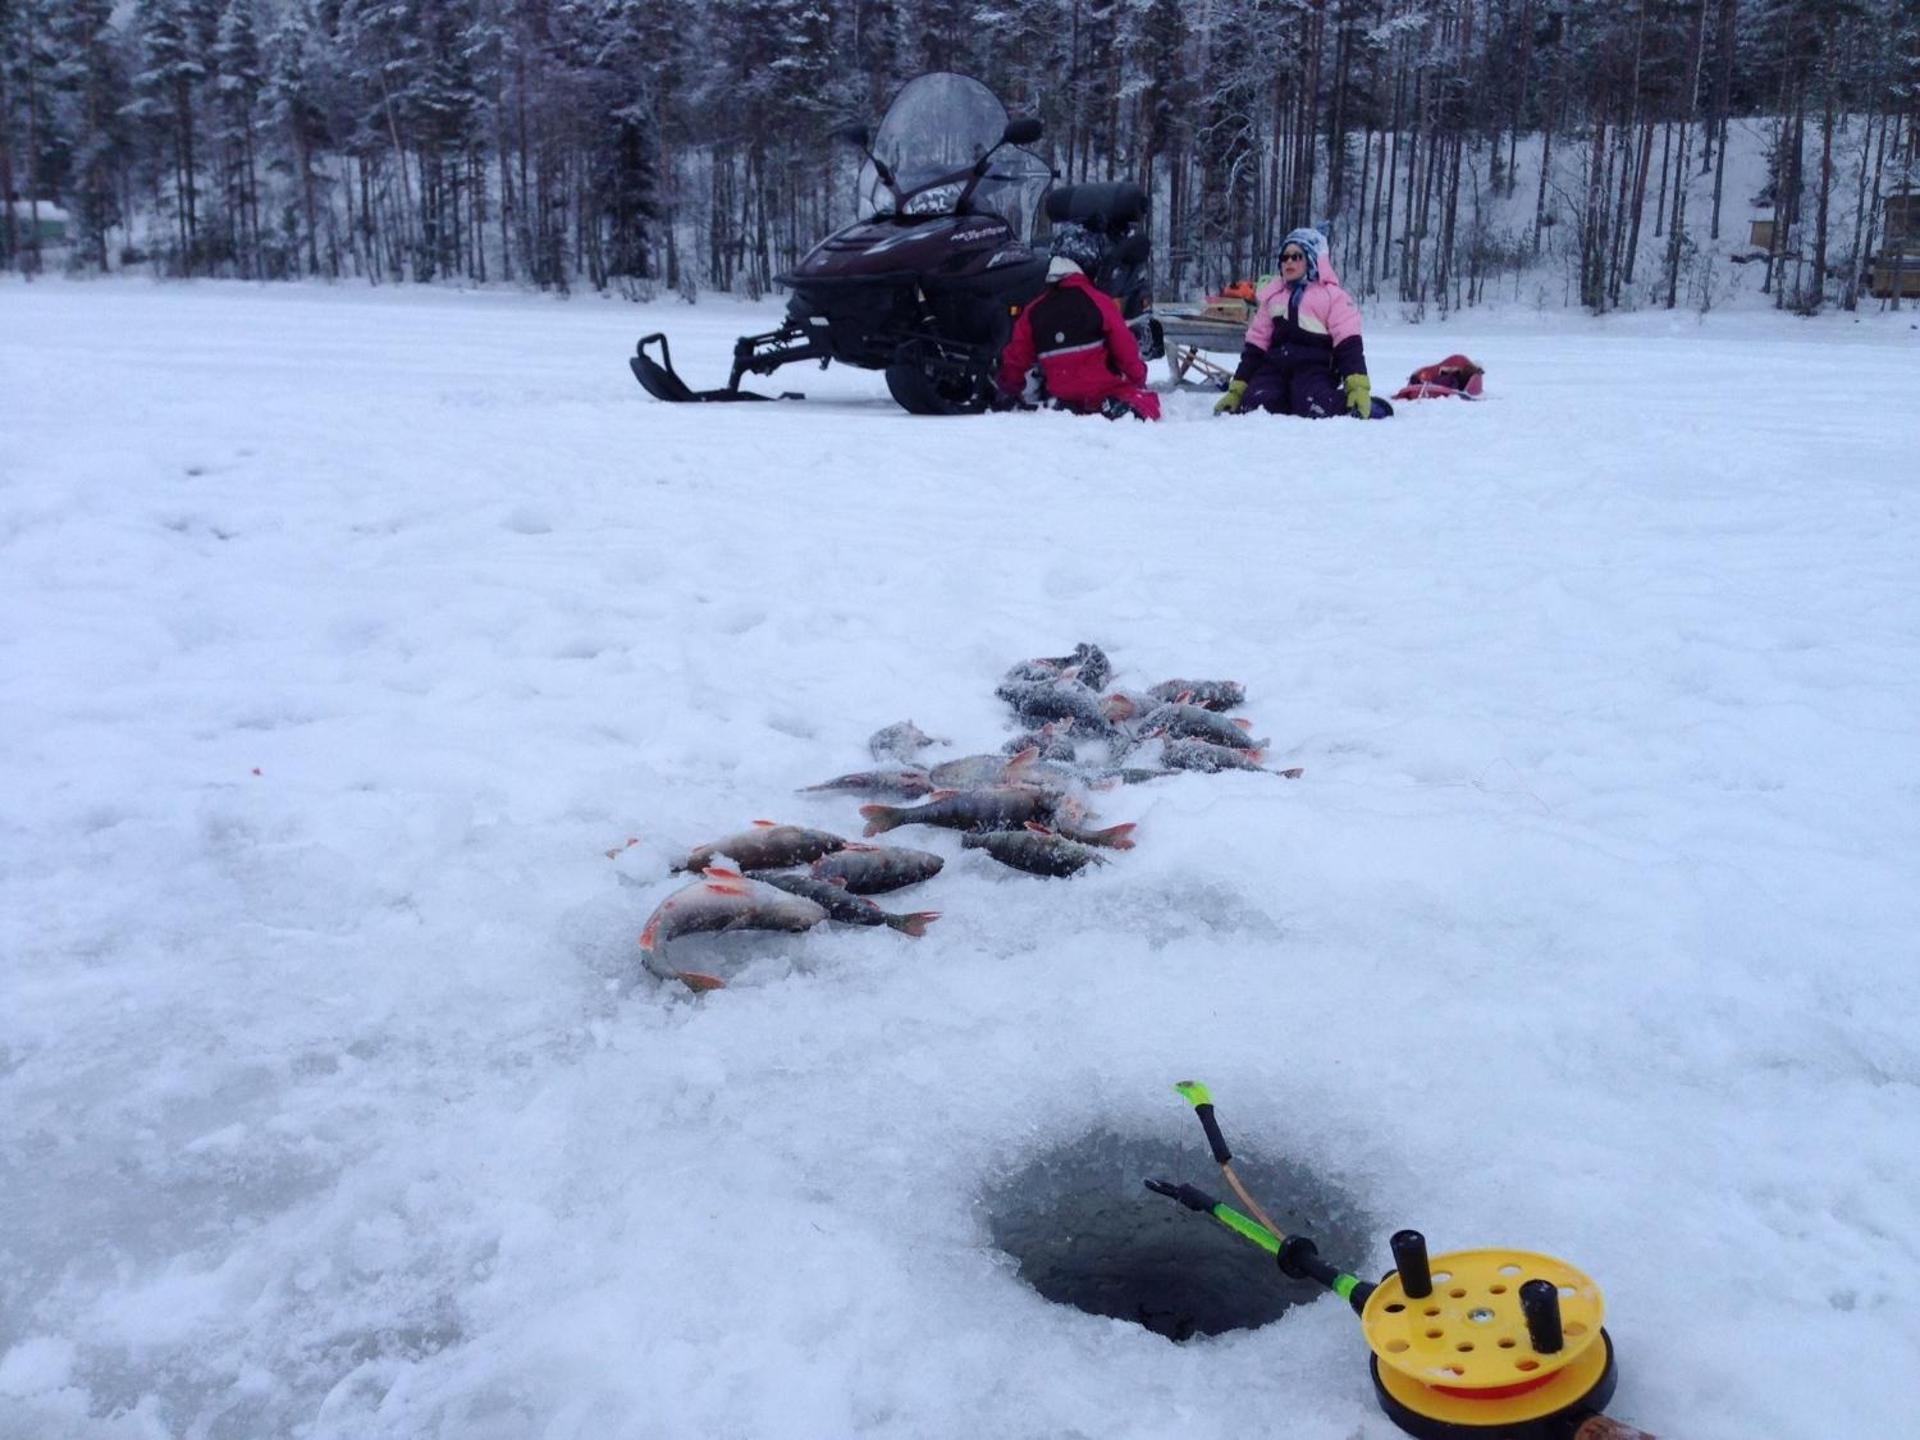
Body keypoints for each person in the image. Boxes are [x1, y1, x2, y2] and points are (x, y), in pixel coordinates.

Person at [1213, 226, 1382, 420]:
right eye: (1284, 257)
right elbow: (1256, 347)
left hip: (1315, 368)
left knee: (1314, 406)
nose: (1289, 262)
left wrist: (1357, 387)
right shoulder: (1273, 297)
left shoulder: (1332, 296)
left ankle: (1368, 406)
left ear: (1312, 259)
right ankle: (1278, 400)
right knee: (1255, 405)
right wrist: (1237, 390)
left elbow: (1348, 344)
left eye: (1296, 256)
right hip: (1274, 369)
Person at [997, 224, 1161, 421]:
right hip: (1102, 386)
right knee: (1149, 402)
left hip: (1062, 391)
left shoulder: (1034, 310)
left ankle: (1071, 406)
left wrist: (1010, 387)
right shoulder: (1099, 302)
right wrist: (1138, 376)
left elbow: (1017, 355)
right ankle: (1119, 407)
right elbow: (1125, 348)